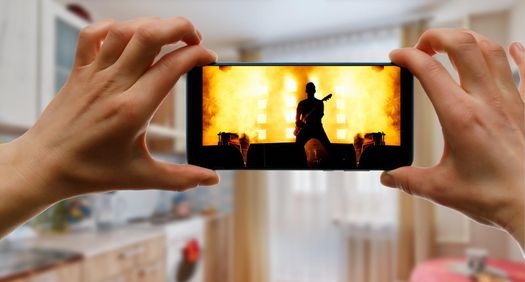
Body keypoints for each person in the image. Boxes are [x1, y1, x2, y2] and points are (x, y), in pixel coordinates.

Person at [0, 18, 522, 249]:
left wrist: (34, 163)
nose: (314, 90)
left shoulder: (315, 100)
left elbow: (320, 104)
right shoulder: (305, 104)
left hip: (312, 124)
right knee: (305, 136)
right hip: (306, 126)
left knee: (313, 137)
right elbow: (306, 112)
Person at [295, 82, 331, 148]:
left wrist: (299, 125)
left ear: (306, 91)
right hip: (315, 128)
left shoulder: (302, 103)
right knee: (327, 146)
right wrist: (299, 126)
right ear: (315, 91)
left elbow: (297, 119)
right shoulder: (319, 103)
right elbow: (297, 120)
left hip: (313, 128)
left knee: (298, 147)